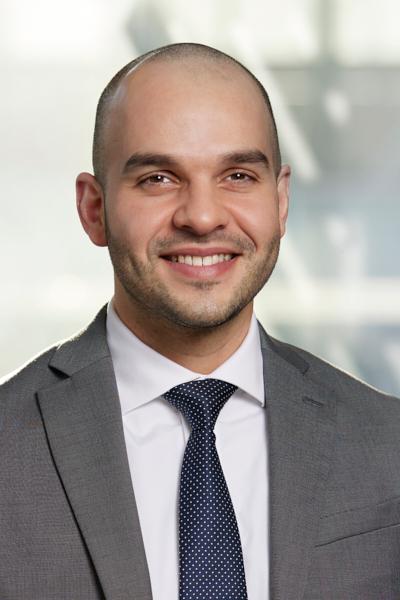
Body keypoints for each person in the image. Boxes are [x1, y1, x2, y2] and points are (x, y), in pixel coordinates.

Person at [1, 42, 399, 600]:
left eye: (237, 175)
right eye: (158, 178)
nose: (203, 216)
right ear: (94, 209)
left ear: (281, 201)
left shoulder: (387, 443)